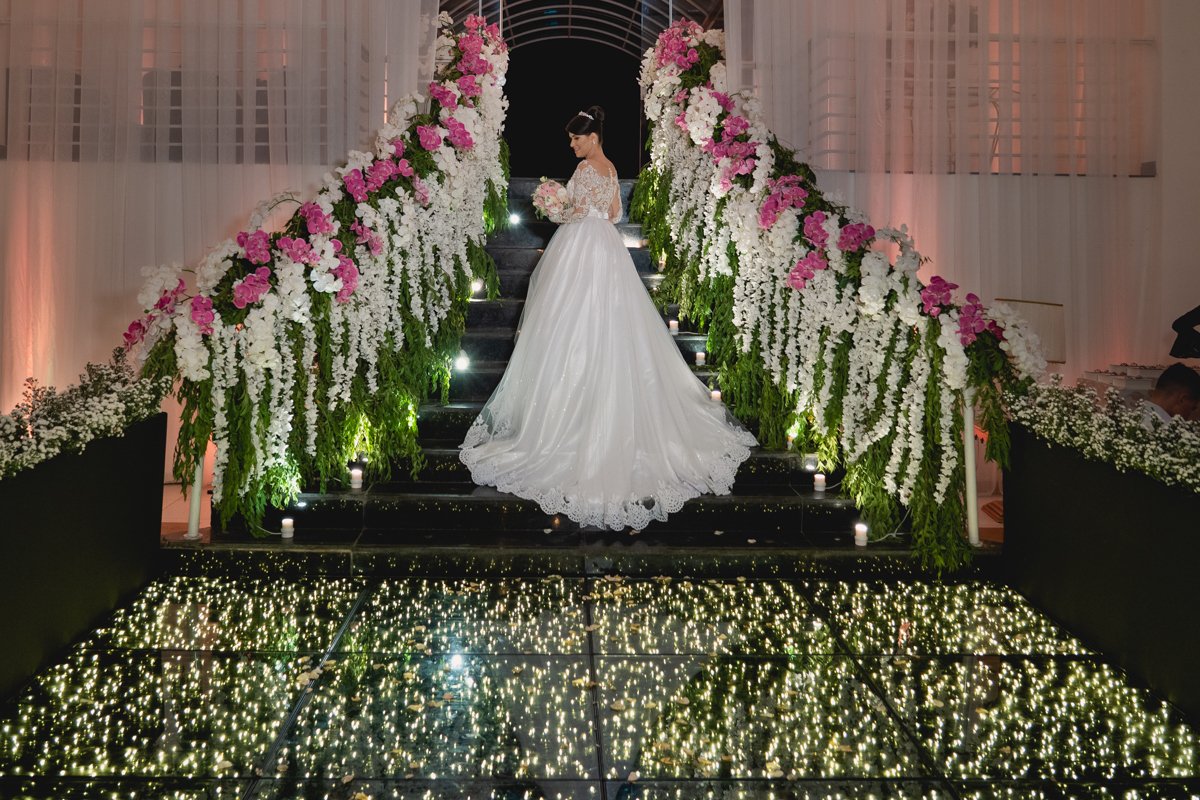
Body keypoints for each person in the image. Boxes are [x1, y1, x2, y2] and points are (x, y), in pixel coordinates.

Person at [459, 106, 757, 530]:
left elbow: (575, 213)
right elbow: (615, 214)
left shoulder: (584, 170)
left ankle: (567, 421)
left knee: (569, 322)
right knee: (613, 321)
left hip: (580, 246)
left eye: (575, 138)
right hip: (607, 246)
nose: (572, 144)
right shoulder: (612, 168)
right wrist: (574, 208)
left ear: (592, 137)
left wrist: (555, 208)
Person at [1142, 363, 1200, 429]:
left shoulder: (1136, 419)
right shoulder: (1161, 429)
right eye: (1192, 408)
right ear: (1182, 399)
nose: (1188, 418)